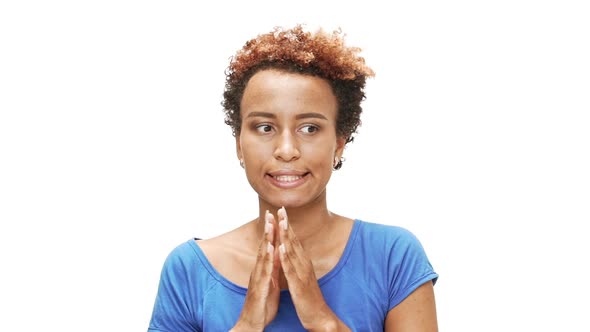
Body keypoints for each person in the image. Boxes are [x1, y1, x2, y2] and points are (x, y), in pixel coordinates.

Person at [147, 24, 438, 331]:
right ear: (239, 145)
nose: (286, 150)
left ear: (338, 144)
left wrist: (323, 320)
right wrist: (246, 325)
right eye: (265, 128)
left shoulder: (393, 256)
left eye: (309, 128)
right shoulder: (189, 269)